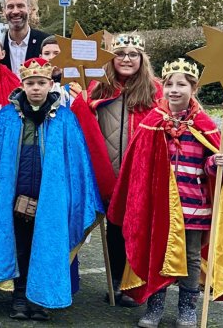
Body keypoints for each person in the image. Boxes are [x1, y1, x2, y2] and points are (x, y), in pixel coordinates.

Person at [109, 58, 223, 328]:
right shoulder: (153, 122)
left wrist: (217, 164)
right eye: (169, 84)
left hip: (194, 204)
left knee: (192, 257)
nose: (174, 89)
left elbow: (210, 168)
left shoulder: (204, 124)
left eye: (181, 85)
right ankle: (155, 307)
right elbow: (139, 166)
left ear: (192, 89)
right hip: (160, 205)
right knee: (158, 253)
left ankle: (187, 309)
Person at [0, 58, 103, 321]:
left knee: (45, 245)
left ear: (50, 84)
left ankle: (40, 299)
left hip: (51, 199)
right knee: (20, 246)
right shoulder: (6, 117)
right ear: (22, 85)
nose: (36, 88)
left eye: (41, 83)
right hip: (14, 196)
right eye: (30, 83)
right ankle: (20, 297)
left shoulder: (65, 119)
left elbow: (76, 161)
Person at [71, 32, 162, 306]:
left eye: (133, 54)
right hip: (107, 174)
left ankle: (135, 285)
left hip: (139, 175)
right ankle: (115, 283)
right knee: (114, 229)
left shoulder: (155, 91)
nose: (126, 59)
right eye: (120, 54)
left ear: (142, 59)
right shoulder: (98, 89)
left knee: (136, 230)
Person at [0, 0, 47, 75]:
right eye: (10, 7)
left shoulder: (44, 43)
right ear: (4, 11)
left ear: (29, 9)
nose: (15, 11)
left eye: (20, 6)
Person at [39, 36, 81, 108]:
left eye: (56, 53)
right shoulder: (33, 85)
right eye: (46, 53)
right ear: (40, 57)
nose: (51, 57)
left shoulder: (77, 87)